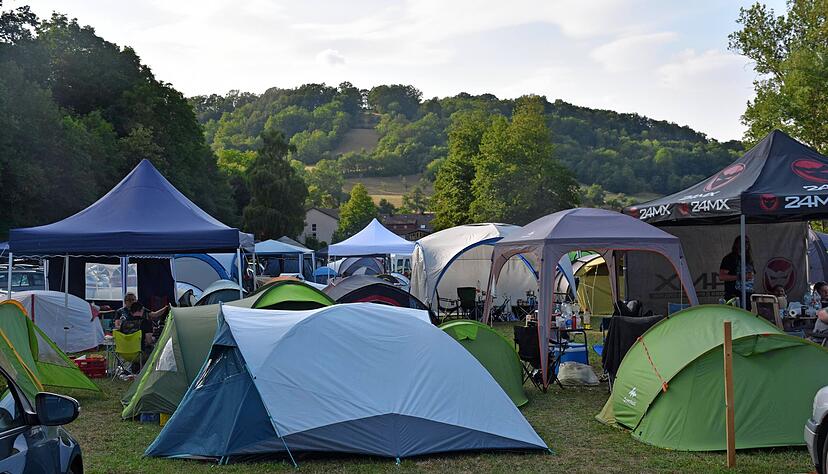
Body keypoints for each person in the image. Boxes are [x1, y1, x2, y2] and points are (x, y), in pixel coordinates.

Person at [719, 236, 755, 309]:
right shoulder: (729, 258)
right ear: (737, 244)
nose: (746, 245)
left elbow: (751, 275)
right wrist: (740, 276)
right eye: (743, 242)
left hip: (748, 294)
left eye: (747, 242)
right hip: (735, 295)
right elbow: (722, 276)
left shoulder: (748, 259)